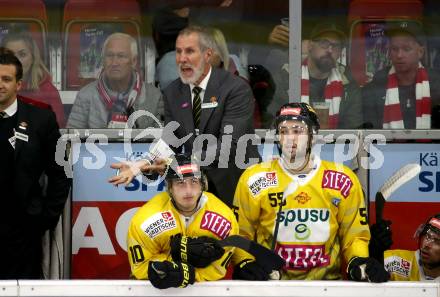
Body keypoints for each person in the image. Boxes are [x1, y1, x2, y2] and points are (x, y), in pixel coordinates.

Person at [232, 102, 389, 282]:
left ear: (313, 136)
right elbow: (241, 233)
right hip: (272, 287)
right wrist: (244, 262)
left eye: (297, 131)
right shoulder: (254, 179)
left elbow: (354, 237)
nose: (289, 138)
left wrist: (358, 260)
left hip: (326, 287)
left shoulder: (342, 180)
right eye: (283, 131)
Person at [109, 26, 260, 207]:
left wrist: (178, 163)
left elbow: (229, 146)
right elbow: (170, 140)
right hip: (196, 190)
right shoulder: (173, 91)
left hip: (236, 187)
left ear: (207, 55)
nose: (182, 59)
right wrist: (141, 164)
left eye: (190, 51)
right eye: (178, 52)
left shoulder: (235, 89)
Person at [0, 47, 70, 279]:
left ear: (18, 84)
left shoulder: (41, 119)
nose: (0, 84)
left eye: (6, 79)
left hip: (24, 234)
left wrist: (44, 219)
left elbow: (61, 173)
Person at [127, 153, 239, 288]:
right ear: (169, 188)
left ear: (203, 184)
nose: (189, 191)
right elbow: (140, 267)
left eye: (194, 182)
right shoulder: (145, 220)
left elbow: (218, 267)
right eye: (180, 183)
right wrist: (176, 267)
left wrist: (190, 275)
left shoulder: (225, 217)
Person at [265, 22, 363, 129]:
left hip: (334, 144)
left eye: (336, 46)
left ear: (340, 52)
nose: (330, 50)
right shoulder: (286, 78)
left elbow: (353, 129)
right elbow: (272, 124)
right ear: (310, 46)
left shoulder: (347, 83)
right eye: (324, 43)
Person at [67, 33, 163, 129]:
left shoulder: (154, 95)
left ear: (134, 61)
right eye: (109, 55)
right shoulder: (85, 95)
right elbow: (72, 139)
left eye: (121, 56)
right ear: (103, 60)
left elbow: (161, 140)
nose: (114, 62)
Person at [362, 21, 440, 129]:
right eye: (394, 49)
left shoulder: (437, 84)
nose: (399, 55)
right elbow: (370, 132)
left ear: (420, 52)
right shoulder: (375, 87)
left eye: (406, 49)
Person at [1, 33, 65, 127]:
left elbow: (57, 131)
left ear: (33, 58)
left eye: (22, 54)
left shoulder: (48, 91)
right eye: (10, 55)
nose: (16, 60)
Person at [370, 214, 440, 281]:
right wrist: (374, 254)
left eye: (437, 241)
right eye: (427, 236)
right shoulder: (397, 261)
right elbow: (365, 266)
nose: (426, 244)